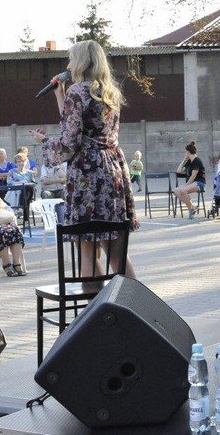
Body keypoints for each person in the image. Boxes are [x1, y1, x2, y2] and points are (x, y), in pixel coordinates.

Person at [29, 40, 138, 279]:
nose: (68, 65)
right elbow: (80, 127)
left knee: (86, 246)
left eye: (71, 59)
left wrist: (45, 142)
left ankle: (93, 301)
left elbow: (70, 142)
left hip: (88, 172)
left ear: (80, 62)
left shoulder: (78, 92)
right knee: (116, 248)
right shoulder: (109, 91)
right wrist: (61, 96)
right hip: (112, 168)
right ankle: (132, 298)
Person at [175, 142, 205, 219]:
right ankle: (192, 208)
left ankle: (191, 209)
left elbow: (193, 175)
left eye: (185, 152)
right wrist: (183, 160)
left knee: (183, 190)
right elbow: (179, 171)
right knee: (176, 191)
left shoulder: (197, 160)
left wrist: (186, 185)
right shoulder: (189, 162)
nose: (185, 153)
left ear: (188, 152)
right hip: (191, 183)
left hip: (199, 183)